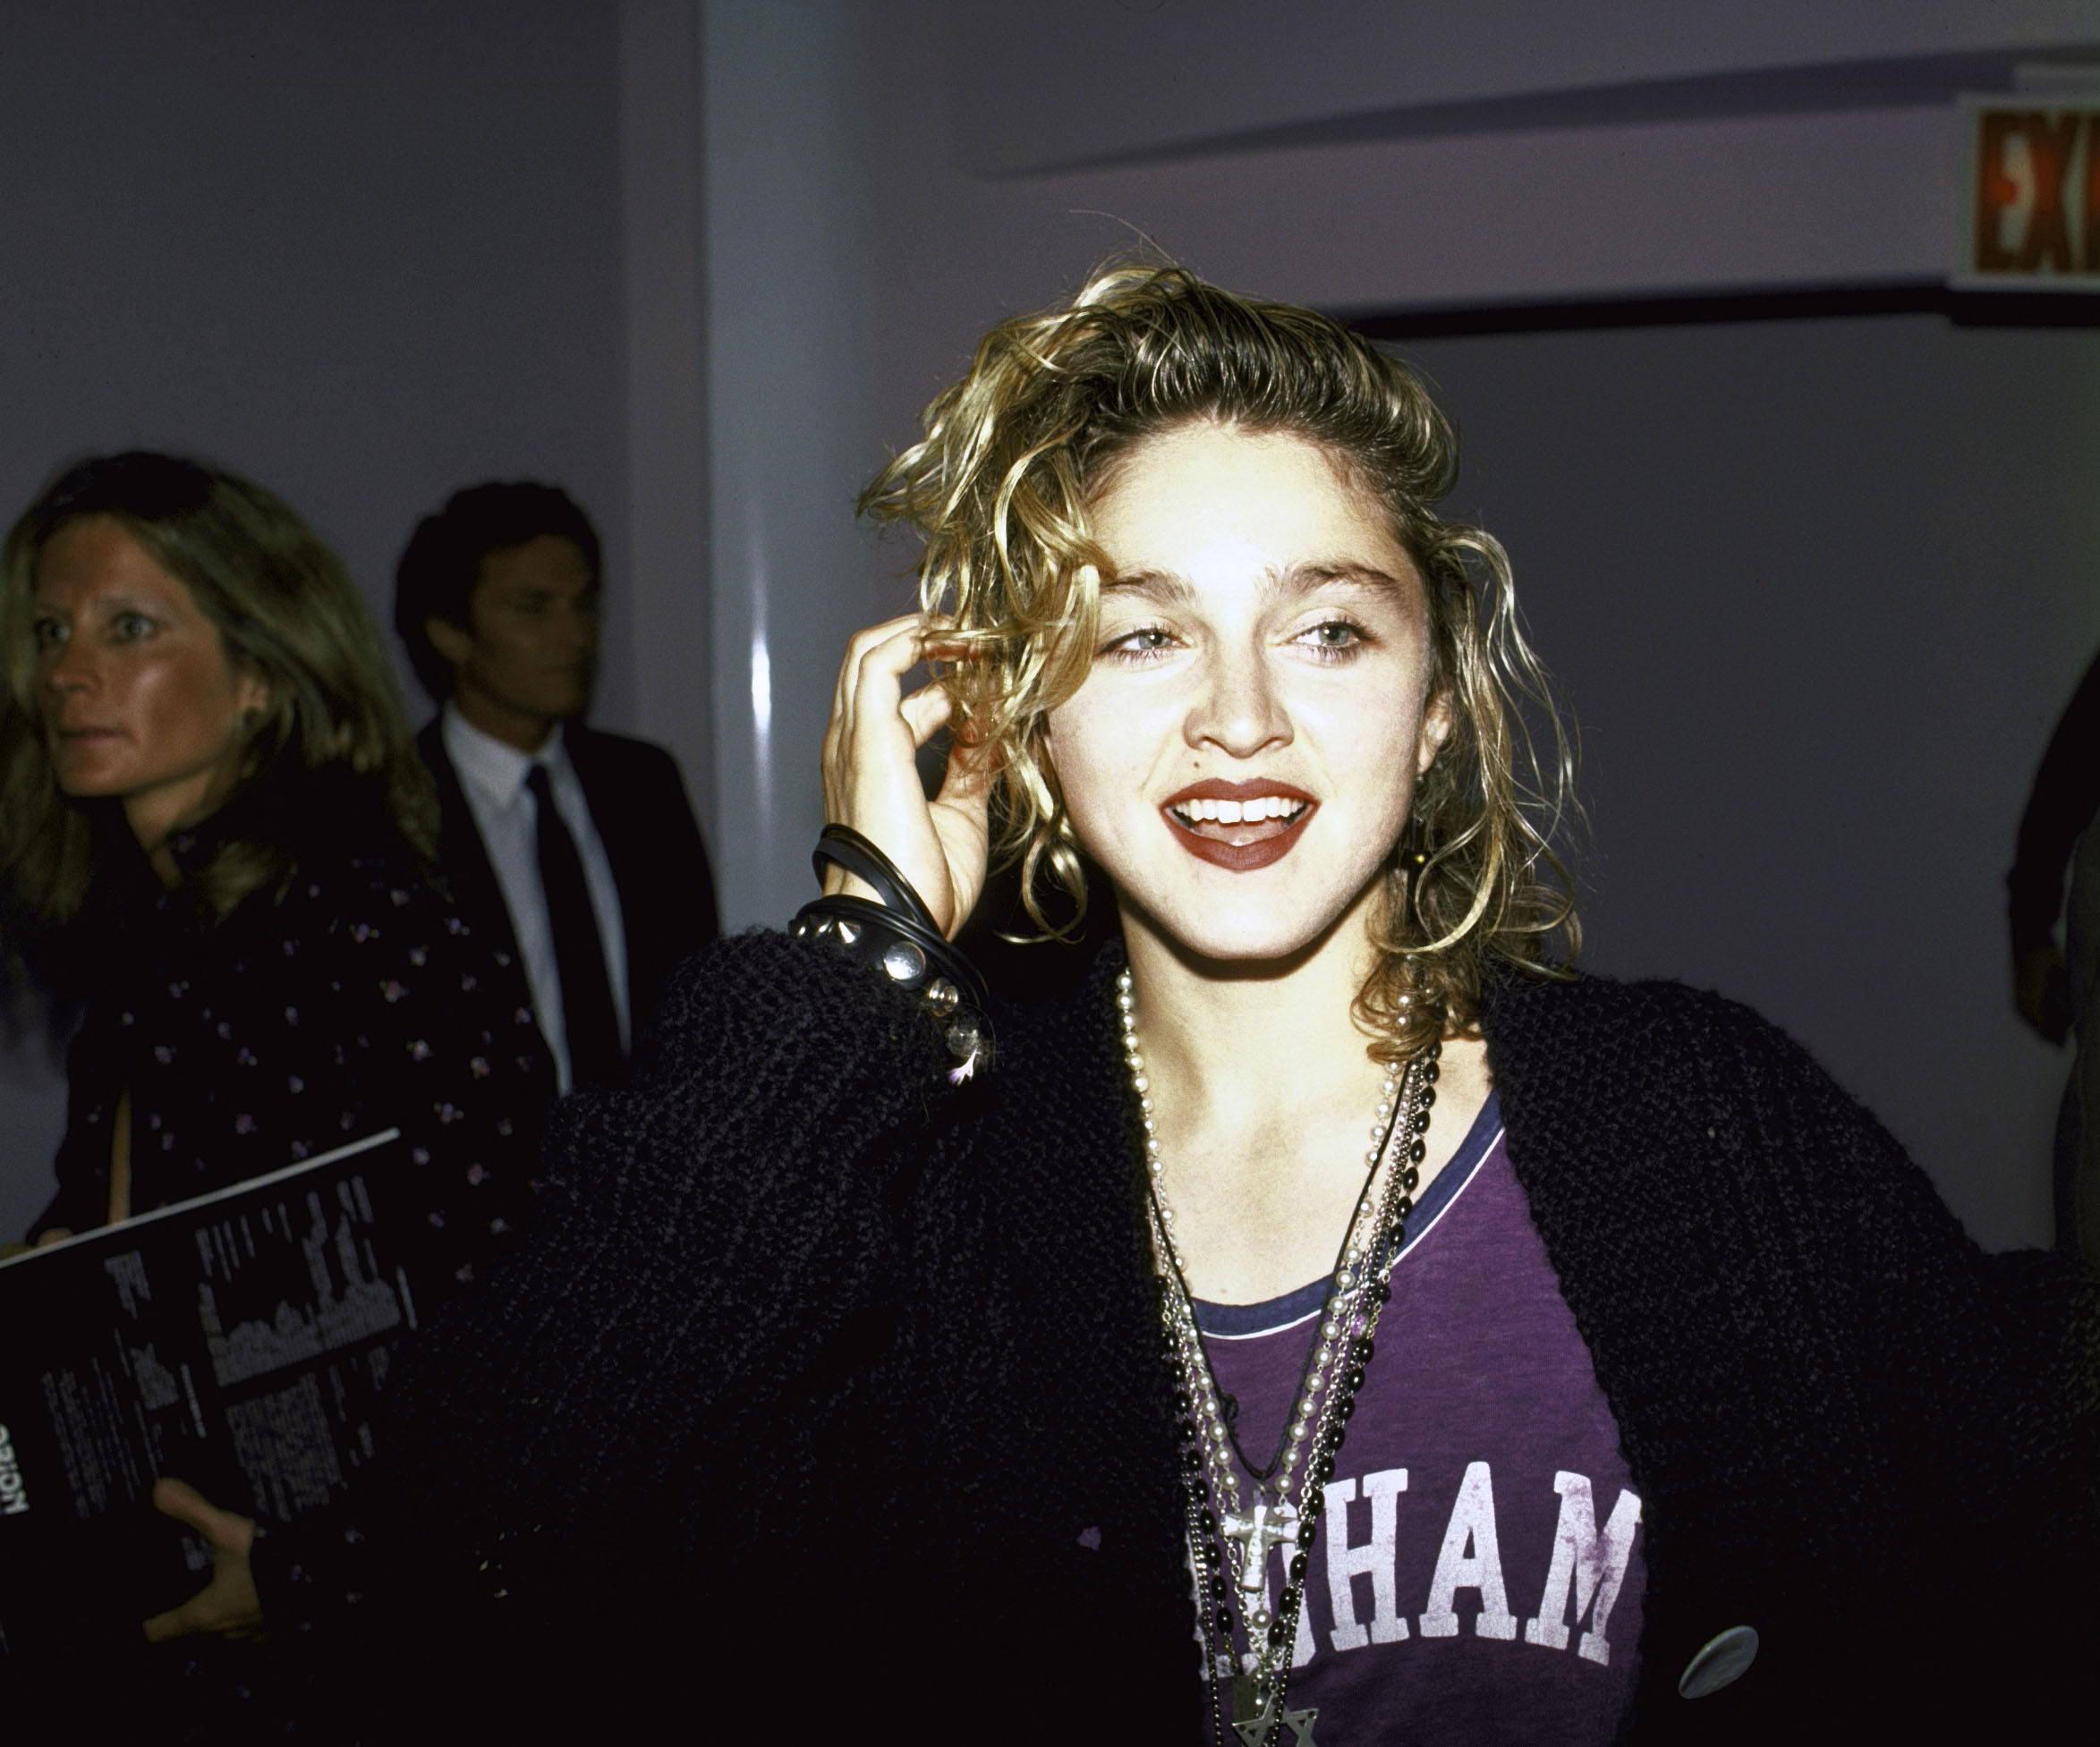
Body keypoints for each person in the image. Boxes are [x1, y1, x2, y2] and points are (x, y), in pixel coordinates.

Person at [191, 268, 2091, 1743]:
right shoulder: (928, 1193)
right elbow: (483, 1549)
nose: (1241, 716)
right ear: (1011, 711)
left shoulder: (1695, 1119)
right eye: (1140, 631)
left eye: (1330, 627)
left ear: (1435, 715)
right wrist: (860, 955)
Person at [0, 451, 553, 1730]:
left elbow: (515, 1310)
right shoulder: (151, 943)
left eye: (127, 628)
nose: (67, 670)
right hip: (199, 1619)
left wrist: (317, 1576)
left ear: (260, 675)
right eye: (48, 631)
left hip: (355, 1648)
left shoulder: (365, 925)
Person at [393, 482, 717, 1091]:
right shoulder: (388, 806)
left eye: (584, 605)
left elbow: (695, 998)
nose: (575, 636)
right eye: (534, 607)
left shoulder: (642, 784)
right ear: (450, 632)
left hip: (648, 1164)